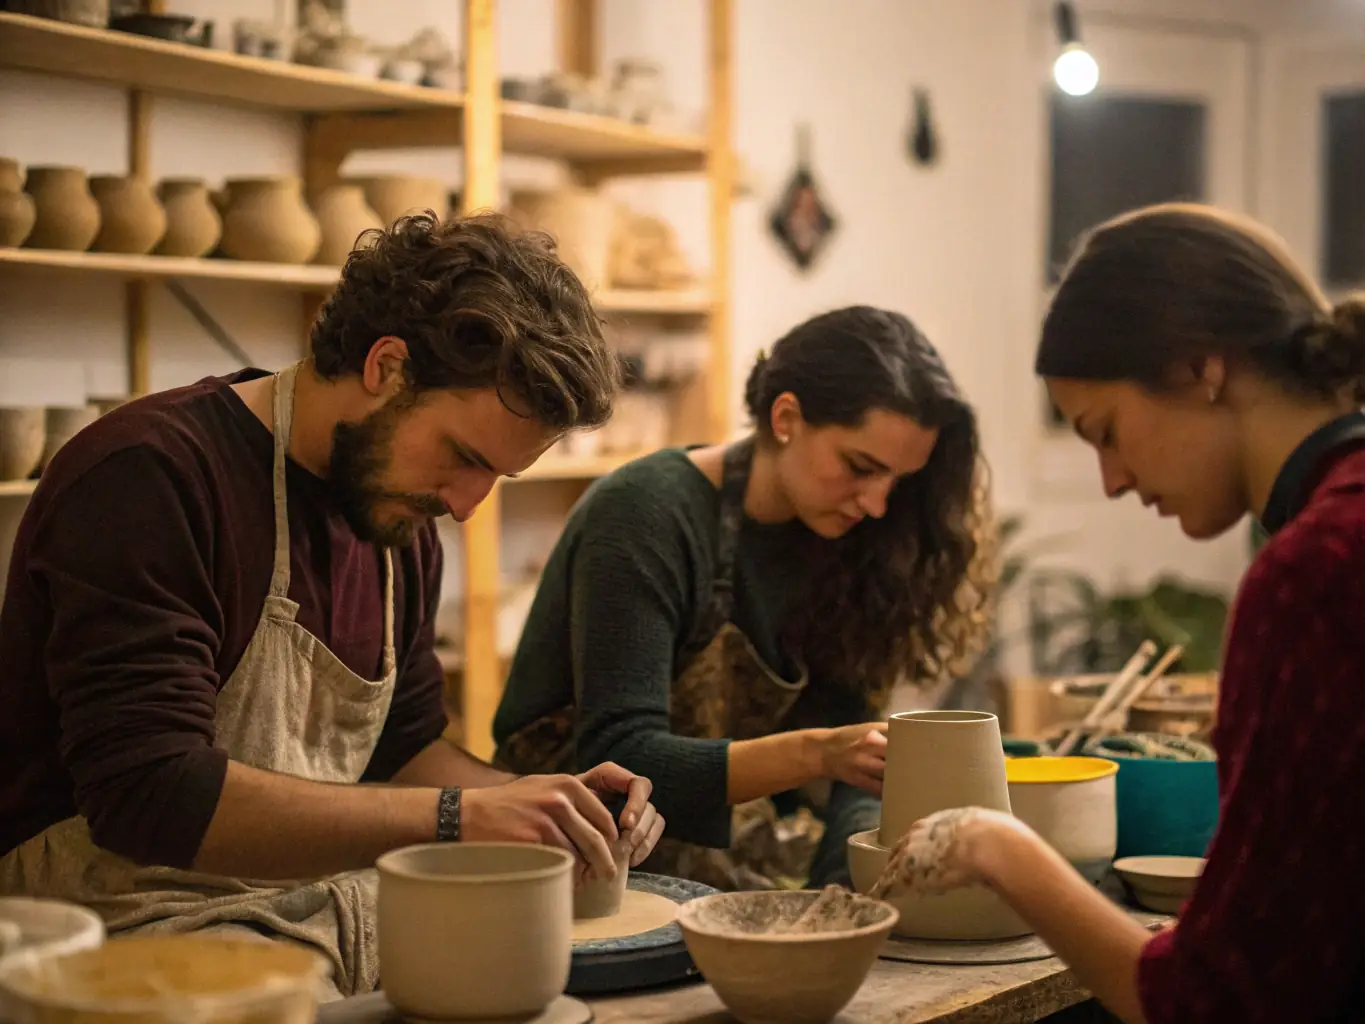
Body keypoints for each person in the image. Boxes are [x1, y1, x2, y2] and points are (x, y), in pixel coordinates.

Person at [0, 212, 665, 998]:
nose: (465, 507)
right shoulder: (153, 477)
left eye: (496, 480)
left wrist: (553, 806)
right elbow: (150, 796)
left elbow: (403, 748)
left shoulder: (396, 521)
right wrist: (456, 819)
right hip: (121, 933)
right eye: (463, 458)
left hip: (303, 912)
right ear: (387, 367)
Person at [880, 203, 1365, 1022]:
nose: (1110, 479)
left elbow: (1216, 1002)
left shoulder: (1315, 570)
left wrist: (1001, 850)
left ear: (1199, 368)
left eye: (1104, 431)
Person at [492, 306, 997, 891]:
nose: (878, 503)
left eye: (898, 481)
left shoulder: (854, 542)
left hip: (708, 866)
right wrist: (819, 753)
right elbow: (620, 762)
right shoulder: (646, 514)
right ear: (786, 417)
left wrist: (853, 890)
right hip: (570, 862)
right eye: (860, 467)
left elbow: (855, 773)